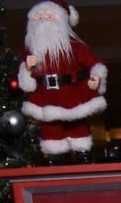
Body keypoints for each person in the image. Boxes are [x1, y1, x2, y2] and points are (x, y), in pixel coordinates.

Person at [18, 2, 107, 162]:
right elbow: (26, 84)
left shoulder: (76, 48)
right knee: (51, 134)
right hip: (46, 98)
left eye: (50, 16)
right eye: (40, 16)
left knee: (79, 131)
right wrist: (28, 69)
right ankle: (56, 163)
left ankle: (83, 159)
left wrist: (96, 79)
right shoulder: (30, 51)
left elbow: (96, 65)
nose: (44, 19)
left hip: (72, 95)